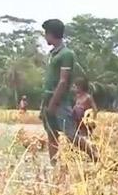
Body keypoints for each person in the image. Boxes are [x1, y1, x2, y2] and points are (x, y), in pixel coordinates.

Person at [40, 18, 98, 163]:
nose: (45, 37)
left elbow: (63, 81)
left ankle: (95, 155)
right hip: (47, 99)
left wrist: (53, 103)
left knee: (71, 135)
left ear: (51, 34)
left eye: (46, 34)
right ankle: (54, 166)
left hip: (59, 101)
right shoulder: (53, 54)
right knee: (51, 134)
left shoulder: (66, 54)